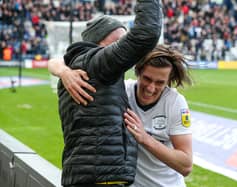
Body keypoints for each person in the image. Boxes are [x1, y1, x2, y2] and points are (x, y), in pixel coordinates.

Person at [48, 0, 162, 186]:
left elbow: (56, 62)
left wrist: (60, 69)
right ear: (99, 42)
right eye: (119, 41)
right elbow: (147, 32)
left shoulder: (78, 67)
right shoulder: (97, 64)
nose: (123, 47)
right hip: (102, 179)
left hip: (87, 175)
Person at [50, 45, 193, 187]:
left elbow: (186, 166)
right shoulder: (122, 91)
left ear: (169, 80)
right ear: (138, 71)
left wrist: (145, 139)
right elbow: (55, 62)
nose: (150, 88)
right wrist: (64, 72)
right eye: (147, 79)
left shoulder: (175, 103)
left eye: (160, 83)